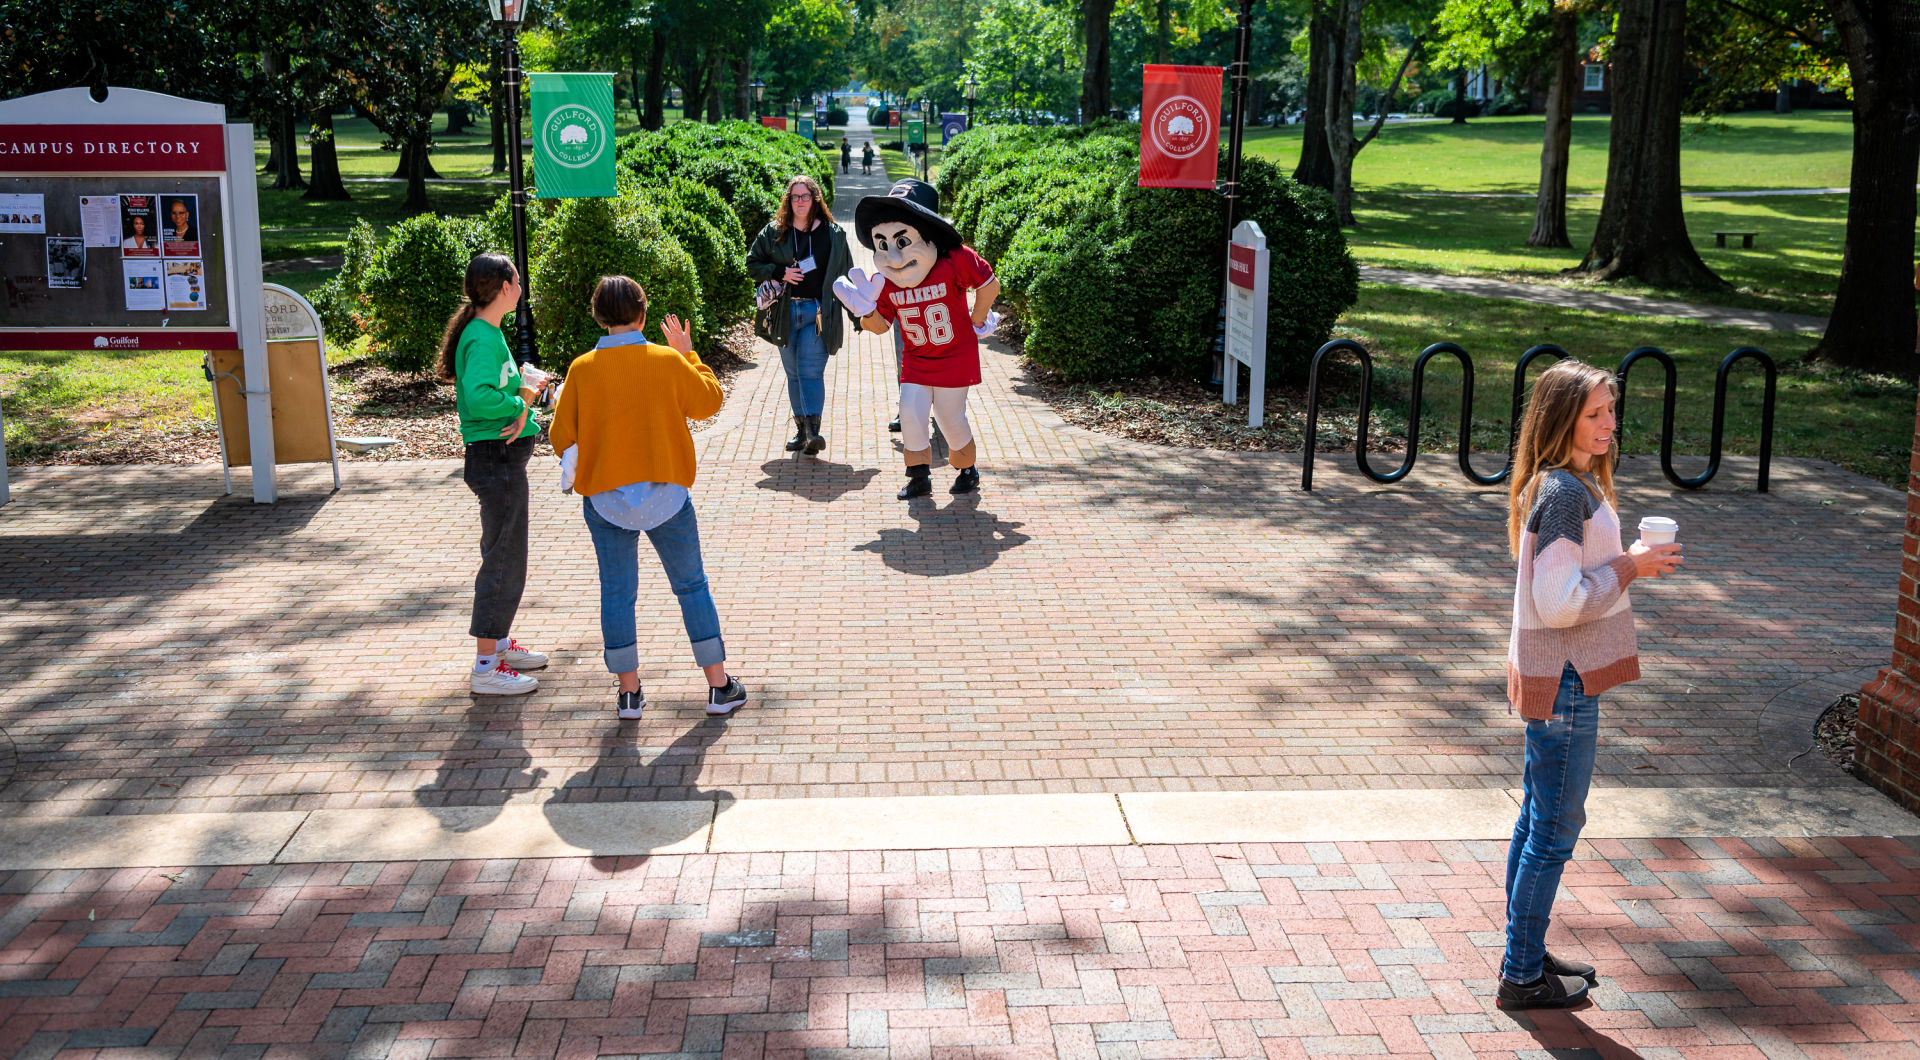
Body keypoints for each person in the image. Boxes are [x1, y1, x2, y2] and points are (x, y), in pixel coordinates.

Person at [1497, 359, 1683, 1010]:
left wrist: (1625, 561)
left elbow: (1569, 579)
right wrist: (1629, 567)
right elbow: (1559, 601)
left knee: (1537, 820)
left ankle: (1525, 955)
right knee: (1555, 826)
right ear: (1562, 419)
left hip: (1559, 675)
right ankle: (1521, 975)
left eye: (1612, 410)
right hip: (1566, 681)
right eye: (1595, 412)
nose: (1609, 423)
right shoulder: (1565, 493)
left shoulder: (1567, 483)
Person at [548, 275, 749, 720]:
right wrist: (687, 354)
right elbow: (709, 402)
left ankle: (629, 693)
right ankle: (719, 686)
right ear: (642, 313)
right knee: (691, 585)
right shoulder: (665, 361)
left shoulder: (582, 370)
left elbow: (561, 434)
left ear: (597, 316)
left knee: (617, 594)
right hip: (668, 495)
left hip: (605, 499)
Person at [836, 178, 1000, 499]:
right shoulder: (888, 280)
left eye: (902, 240)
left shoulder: (954, 259)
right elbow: (881, 326)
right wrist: (864, 310)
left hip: (954, 356)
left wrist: (977, 319)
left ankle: (967, 468)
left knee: (949, 419)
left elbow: (989, 284)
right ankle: (919, 476)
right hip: (916, 358)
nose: (893, 256)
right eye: (883, 244)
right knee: (910, 411)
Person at [434, 253, 551, 696]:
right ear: (504, 287)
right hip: (496, 459)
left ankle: (498, 646)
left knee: (502, 554)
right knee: (504, 562)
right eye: (517, 279)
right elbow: (480, 398)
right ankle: (486, 667)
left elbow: (489, 390)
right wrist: (521, 401)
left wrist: (520, 388)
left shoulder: (485, 332)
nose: (521, 284)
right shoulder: (482, 337)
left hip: (499, 458)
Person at [745, 174, 854, 457]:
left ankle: (814, 431)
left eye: (805, 196)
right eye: (795, 197)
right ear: (788, 200)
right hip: (784, 312)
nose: (800, 201)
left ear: (815, 199)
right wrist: (780, 272)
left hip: (817, 313)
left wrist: (858, 315)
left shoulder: (834, 234)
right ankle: (802, 430)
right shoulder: (774, 232)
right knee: (793, 374)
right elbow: (752, 262)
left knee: (810, 372)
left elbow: (848, 276)